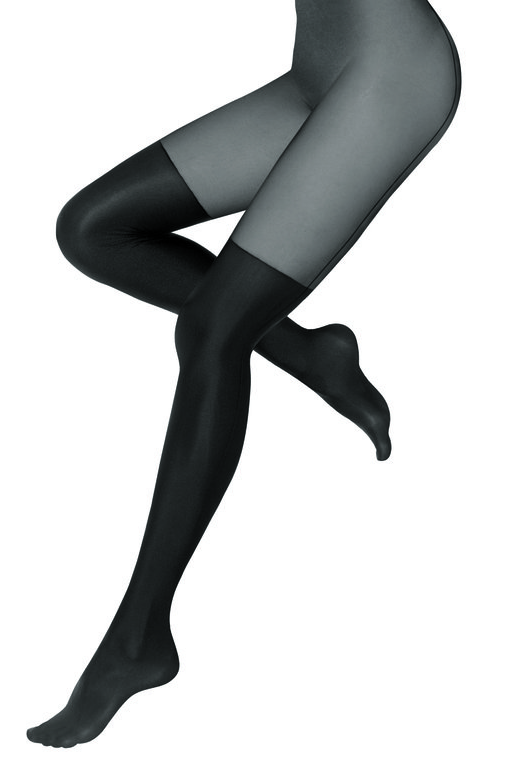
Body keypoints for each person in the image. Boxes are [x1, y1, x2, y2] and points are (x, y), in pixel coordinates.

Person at [27, 0, 461, 748]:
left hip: (389, 75)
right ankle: (310, 353)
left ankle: (137, 639)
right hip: (317, 73)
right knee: (94, 230)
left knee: (211, 333)